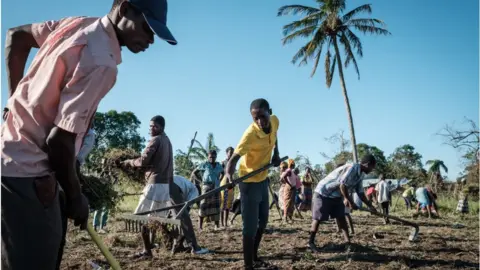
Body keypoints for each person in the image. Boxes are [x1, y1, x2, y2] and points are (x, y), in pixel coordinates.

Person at [1, 0, 177, 268]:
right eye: (147, 27)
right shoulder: (103, 62)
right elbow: (59, 141)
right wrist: (75, 197)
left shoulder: (76, 25)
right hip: (29, 175)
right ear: (124, 8)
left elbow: (16, 37)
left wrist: (14, 104)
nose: (151, 39)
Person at [224, 98, 281, 270]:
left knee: (263, 222)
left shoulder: (275, 121)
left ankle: (254, 257)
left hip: (263, 178)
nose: (260, 122)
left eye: (262, 117)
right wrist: (228, 174)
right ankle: (248, 265)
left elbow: (275, 136)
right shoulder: (250, 134)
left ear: (269, 112)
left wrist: (276, 154)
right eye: (255, 118)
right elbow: (234, 158)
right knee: (249, 227)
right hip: (248, 181)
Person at [121, 115, 173, 259]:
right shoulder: (167, 141)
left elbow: (143, 161)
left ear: (161, 127)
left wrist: (129, 162)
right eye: (150, 126)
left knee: (141, 218)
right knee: (154, 219)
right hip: (164, 186)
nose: (151, 129)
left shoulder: (155, 140)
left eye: (154, 126)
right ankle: (153, 247)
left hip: (154, 185)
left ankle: (147, 251)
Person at [308, 154, 377, 252]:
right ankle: (310, 242)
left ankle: (347, 243)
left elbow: (360, 193)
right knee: (318, 218)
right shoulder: (352, 168)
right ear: (367, 164)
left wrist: (370, 206)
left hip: (336, 195)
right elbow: (342, 185)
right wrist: (350, 202)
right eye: (372, 167)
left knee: (341, 217)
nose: (372, 170)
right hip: (323, 192)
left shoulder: (361, 175)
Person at [170, 175, 209, 255]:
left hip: (164, 184)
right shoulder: (195, 191)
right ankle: (195, 248)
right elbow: (185, 212)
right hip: (172, 186)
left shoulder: (185, 183)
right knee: (185, 220)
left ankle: (177, 246)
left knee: (177, 220)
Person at [191, 150, 224, 231]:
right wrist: (200, 181)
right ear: (208, 157)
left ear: (216, 157)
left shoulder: (219, 165)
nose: (212, 159)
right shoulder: (205, 164)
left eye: (213, 157)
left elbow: (223, 173)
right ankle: (200, 227)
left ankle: (216, 226)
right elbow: (194, 172)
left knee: (216, 205)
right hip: (206, 186)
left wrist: (219, 180)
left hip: (216, 187)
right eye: (210, 157)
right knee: (203, 205)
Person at [220, 147, 235, 228]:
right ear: (227, 153)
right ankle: (222, 223)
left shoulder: (234, 162)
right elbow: (221, 174)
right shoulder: (223, 162)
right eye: (230, 152)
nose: (232, 154)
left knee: (228, 205)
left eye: (233, 152)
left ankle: (225, 223)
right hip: (224, 182)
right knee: (223, 204)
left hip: (231, 183)